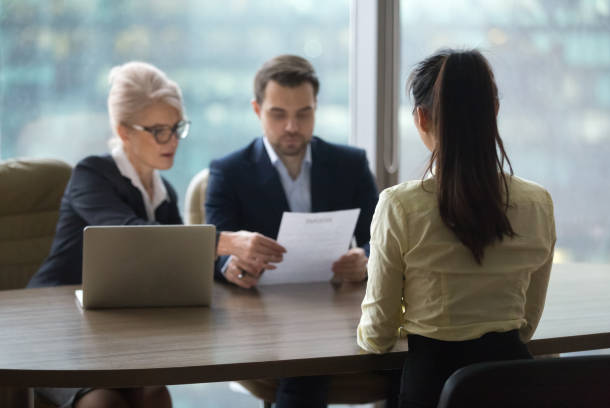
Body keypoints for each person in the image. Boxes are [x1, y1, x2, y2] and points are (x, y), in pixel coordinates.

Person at [27, 61, 283, 408]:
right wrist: (227, 240)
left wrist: (227, 266)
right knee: (104, 402)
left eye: (177, 128)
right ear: (124, 131)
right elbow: (131, 235)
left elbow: (179, 260)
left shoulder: (164, 196)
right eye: (159, 130)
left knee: (154, 395)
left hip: (113, 326)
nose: (172, 140)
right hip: (55, 322)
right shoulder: (91, 175)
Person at [356, 49, 557, 408]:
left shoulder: (399, 206)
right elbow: (525, 325)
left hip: (433, 392)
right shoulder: (538, 203)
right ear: (494, 111)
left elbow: (378, 335)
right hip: (515, 389)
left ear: (421, 118)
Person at [205, 55, 381, 407]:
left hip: (338, 306)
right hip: (266, 314)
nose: (291, 126)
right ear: (257, 110)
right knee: (307, 368)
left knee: (413, 361)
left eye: (303, 113)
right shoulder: (228, 171)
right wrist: (230, 267)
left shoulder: (351, 164)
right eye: (278, 114)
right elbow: (214, 248)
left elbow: (380, 239)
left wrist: (364, 258)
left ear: (316, 108)